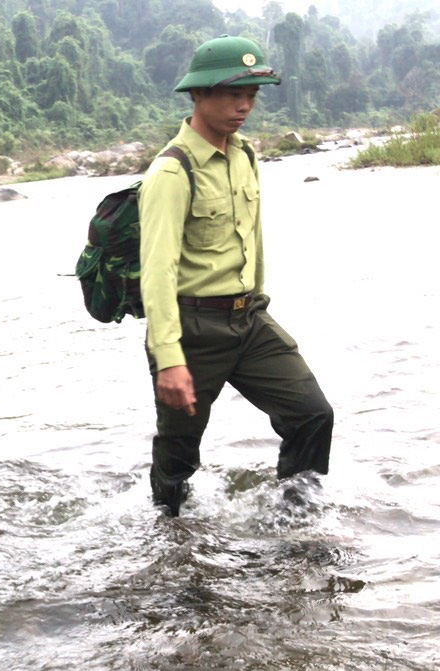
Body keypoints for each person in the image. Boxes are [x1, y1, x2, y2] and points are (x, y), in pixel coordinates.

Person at [138, 35, 334, 517]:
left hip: (249, 320)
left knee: (312, 413)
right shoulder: (170, 172)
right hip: (194, 329)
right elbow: (157, 272)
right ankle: (168, 534)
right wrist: (169, 359)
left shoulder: (245, 155)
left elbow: (253, 239)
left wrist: (258, 302)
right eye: (232, 94)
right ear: (198, 95)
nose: (244, 105)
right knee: (180, 454)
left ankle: (294, 517)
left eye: (251, 95)